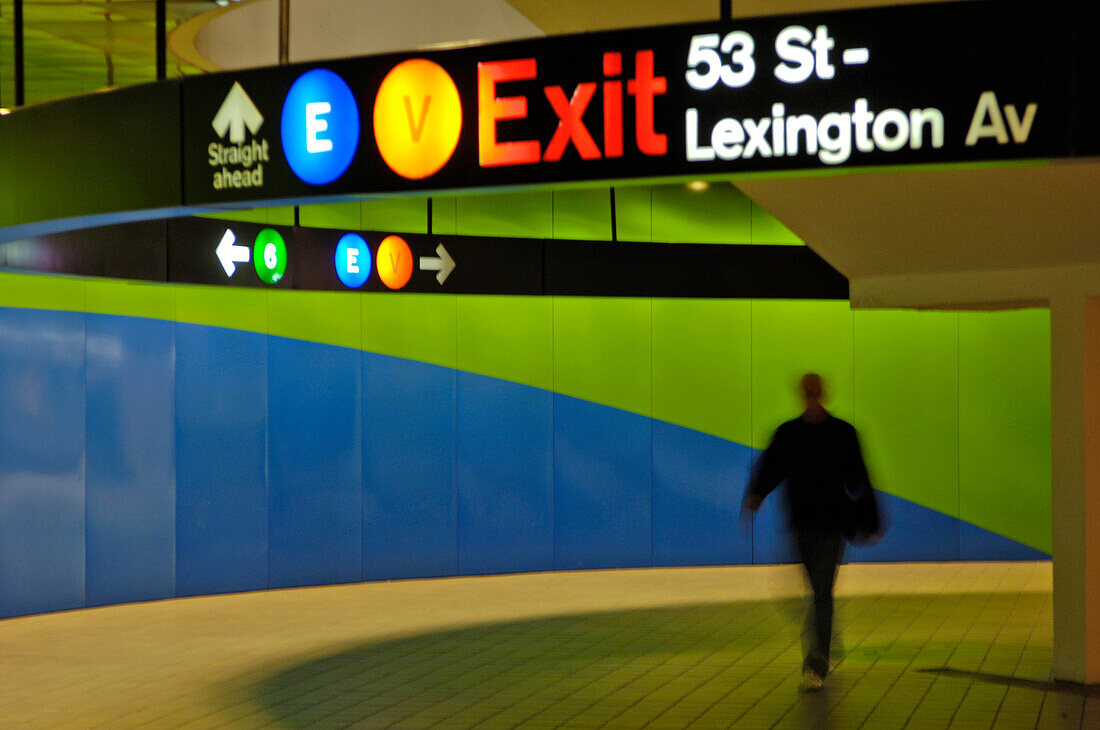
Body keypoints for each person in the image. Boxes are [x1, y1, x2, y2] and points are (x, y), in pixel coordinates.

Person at [742, 373, 881, 692]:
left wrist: (869, 521)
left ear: (822, 394)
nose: (812, 399)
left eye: (815, 393)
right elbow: (772, 467)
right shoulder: (790, 434)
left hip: (831, 526)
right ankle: (823, 641)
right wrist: (757, 493)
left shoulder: (842, 434)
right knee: (814, 596)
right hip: (802, 525)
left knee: (821, 594)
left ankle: (816, 663)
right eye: (808, 394)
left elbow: (859, 477)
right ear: (804, 395)